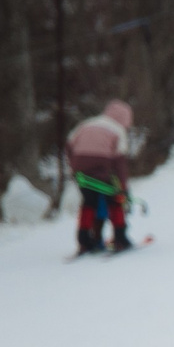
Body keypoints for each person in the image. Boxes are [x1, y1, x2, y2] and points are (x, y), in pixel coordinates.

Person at [65, 99, 135, 255]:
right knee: (115, 201)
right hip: (101, 165)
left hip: (80, 167)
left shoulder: (87, 124)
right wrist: (123, 188)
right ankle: (120, 238)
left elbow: (70, 144)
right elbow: (120, 162)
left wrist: (74, 168)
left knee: (89, 203)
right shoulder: (118, 131)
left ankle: (84, 240)